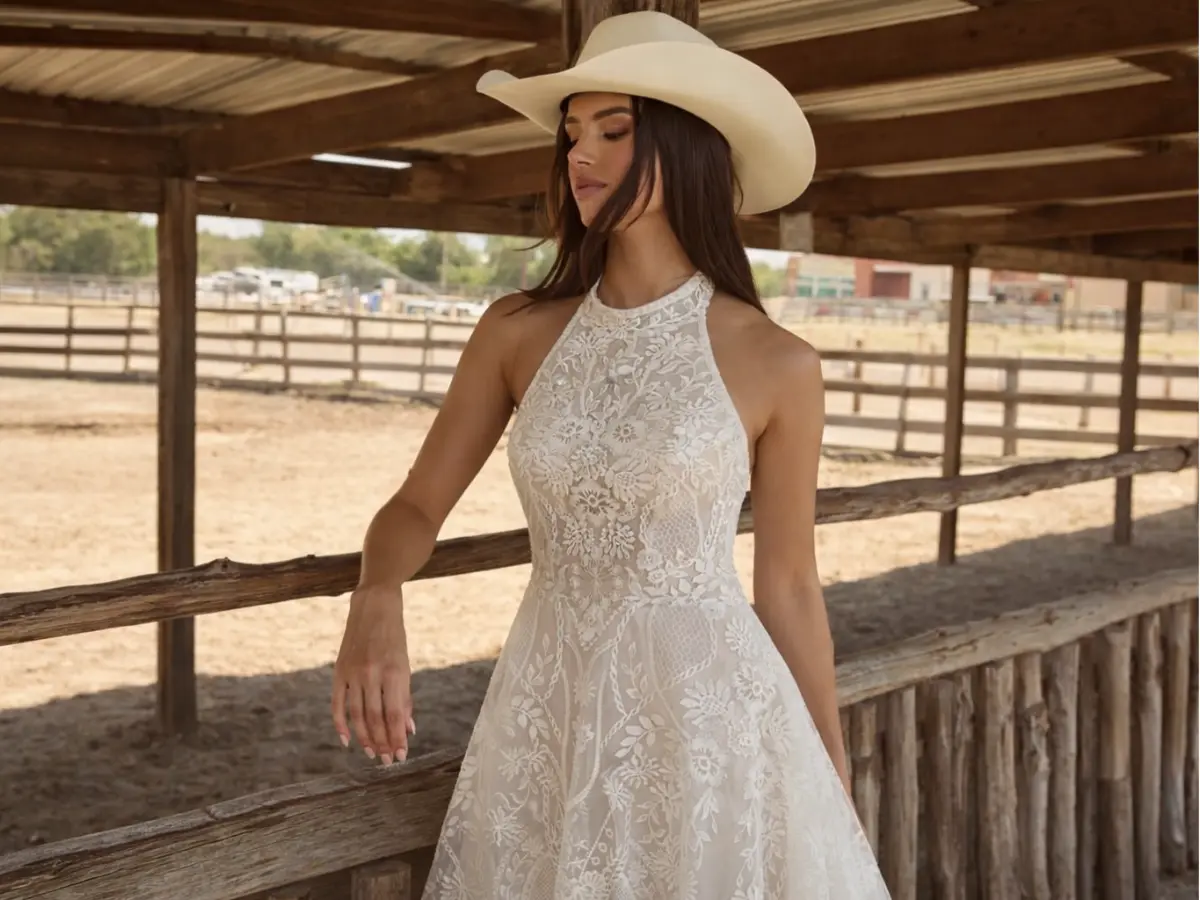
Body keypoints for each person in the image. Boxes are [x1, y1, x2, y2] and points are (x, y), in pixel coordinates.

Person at [332, 11, 891, 899]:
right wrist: (376, 590)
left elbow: (787, 583)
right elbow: (415, 507)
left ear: (686, 148)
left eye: (614, 130)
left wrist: (826, 756)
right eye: (571, 134)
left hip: (708, 720)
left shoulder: (779, 362)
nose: (579, 154)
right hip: (548, 705)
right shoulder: (517, 332)